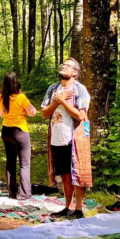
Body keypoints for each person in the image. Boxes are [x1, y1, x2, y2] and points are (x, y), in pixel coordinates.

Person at [41, 58, 93, 218]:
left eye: (68, 66)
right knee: (64, 173)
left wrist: (63, 101)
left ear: (75, 72)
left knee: (77, 172)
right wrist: (57, 101)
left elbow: (80, 116)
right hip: (57, 136)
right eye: (63, 64)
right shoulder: (52, 89)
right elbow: (44, 113)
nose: (63, 66)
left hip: (75, 137)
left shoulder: (79, 89)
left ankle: (78, 210)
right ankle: (68, 206)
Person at [0, 72, 36, 200]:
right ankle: (24, 194)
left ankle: (12, 192)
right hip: (20, 131)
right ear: (17, 82)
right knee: (24, 163)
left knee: (10, 162)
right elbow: (33, 112)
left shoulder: (0, 97)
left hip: (6, 131)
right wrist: (23, 111)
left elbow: (1, 114)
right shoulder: (21, 98)